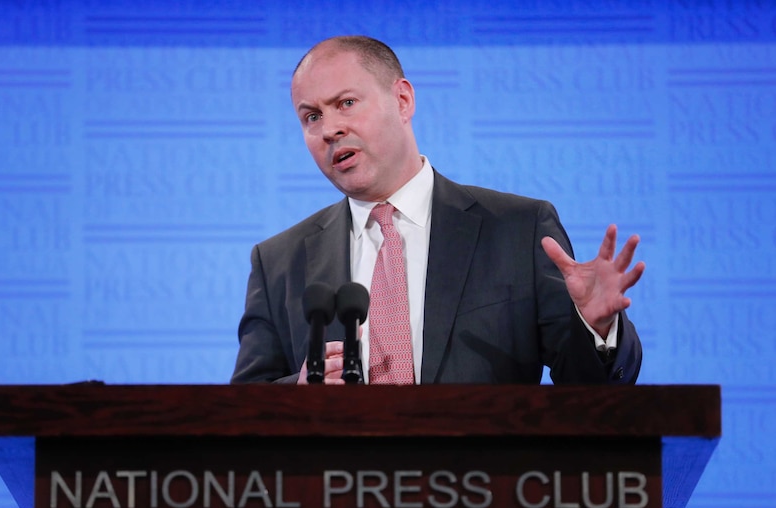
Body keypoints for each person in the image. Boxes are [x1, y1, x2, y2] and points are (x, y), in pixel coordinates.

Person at [230, 35, 644, 385]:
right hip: (337, 480)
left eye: (347, 103)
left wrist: (596, 328)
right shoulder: (279, 261)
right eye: (312, 116)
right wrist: (297, 394)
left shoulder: (517, 230)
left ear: (403, 100)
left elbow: (590, 389)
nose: (329, 129)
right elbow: (242, 411)